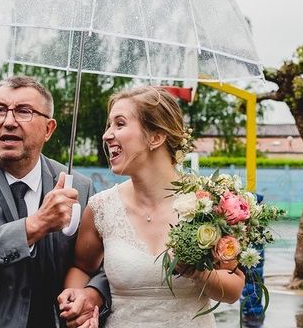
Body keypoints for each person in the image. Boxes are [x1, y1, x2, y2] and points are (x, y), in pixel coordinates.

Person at [0, 75, 110, 328]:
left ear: (49, 129)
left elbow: (101, 264)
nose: (9, 121)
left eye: (24, 111)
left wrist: (92, 295)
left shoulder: (79, 187)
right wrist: (34, 226)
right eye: (0, 110)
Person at [58, 86, 245, 328]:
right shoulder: (101, 207)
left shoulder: (211, 203)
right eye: (109, 125)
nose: (106, 135)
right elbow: (81, 267)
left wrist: (197, 272)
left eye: (120, 124)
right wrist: (78, 297)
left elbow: (232, 292)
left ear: (155, 137)